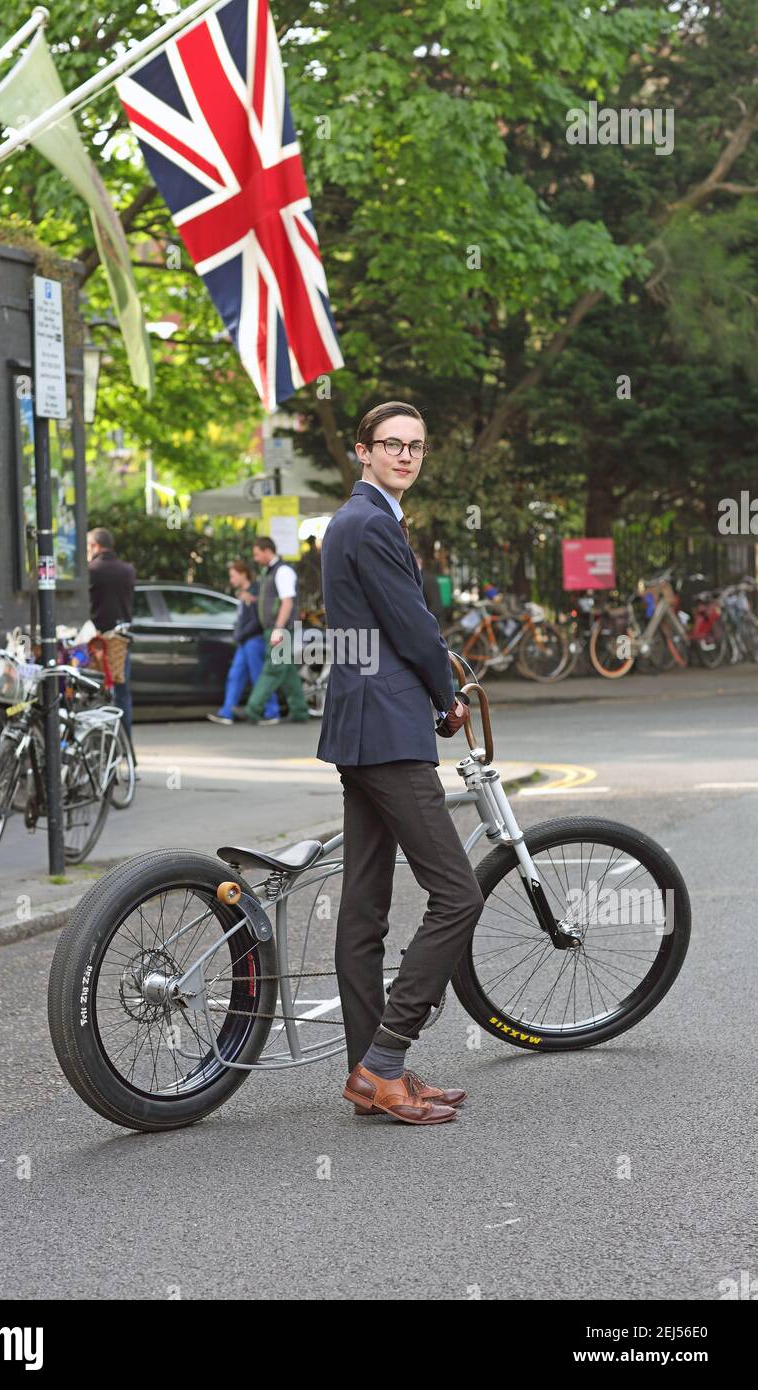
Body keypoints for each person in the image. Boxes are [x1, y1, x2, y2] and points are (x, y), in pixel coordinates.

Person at [317, 400, 485, 1127]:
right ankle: (385, 1062)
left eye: (416, 445)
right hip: (388, 729)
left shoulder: (357, 520)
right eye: (392, 444)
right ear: (363, 451)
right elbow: (411, 624)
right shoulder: (371, 522)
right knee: (459, 896)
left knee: (365, 906)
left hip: (361, 730)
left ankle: (369, 1072)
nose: (406, 456)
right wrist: (448, 696)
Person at [236, 537, 309, 726]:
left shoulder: (282, 571)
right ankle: (300, 711)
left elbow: (287, 602)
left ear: (267, 551)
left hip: (280, 629)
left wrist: (278, 628)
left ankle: (253, 709)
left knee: (272, 670)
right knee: (287, 672)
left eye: (257, 554)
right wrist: (253, 600)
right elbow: (273, 600)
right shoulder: (270, 571)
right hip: (276, 629)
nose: (255, 558)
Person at [207, 560, 280, 725]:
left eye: (233, 575)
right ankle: (227, 711)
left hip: (253, 640)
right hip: (244, 640)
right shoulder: (243, 593)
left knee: (259, 676)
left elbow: (257, 620)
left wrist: (241, 633)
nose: (231, 579)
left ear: (242, 574)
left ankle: (271, 710)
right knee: (235, 675)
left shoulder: (254, 592)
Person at [87, 527, 135, 741]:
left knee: (97, 692)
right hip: (122, 639)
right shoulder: (127, 570)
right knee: (122, 692)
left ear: (95, 546)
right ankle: (125, 742)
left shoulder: (92, 570)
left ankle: (101, 741)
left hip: (98, 641)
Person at [413, 549, 445, 627]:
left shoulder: (428, 579)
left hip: (427, 626)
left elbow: (436, 606)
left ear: (419, 561)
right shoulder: (414, 577)